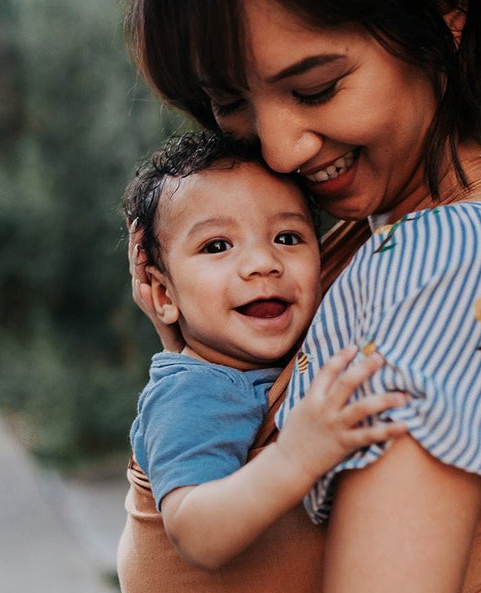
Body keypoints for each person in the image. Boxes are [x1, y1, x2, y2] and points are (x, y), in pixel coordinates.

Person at [117, 1, 481, 593]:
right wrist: (197, 354)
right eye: (231, 102)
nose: (279, 148)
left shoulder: (452, 258)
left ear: (447, 14)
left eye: (315, 88)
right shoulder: (389, 233)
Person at [123, 130, 407, 569]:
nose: (264, 263)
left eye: (288, 238)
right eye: (217, 245)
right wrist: (296, 456)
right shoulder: (191, 397)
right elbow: (195, 533)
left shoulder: (270, 358)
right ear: (163, 295)